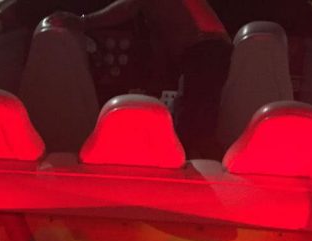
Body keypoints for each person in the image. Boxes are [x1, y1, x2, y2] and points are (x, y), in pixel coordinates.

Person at [48, 0, 232, 157]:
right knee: (197, 122)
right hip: (208, 50)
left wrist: (83, 22)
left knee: (193, 127)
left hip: (205, 51)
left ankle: (196, 176)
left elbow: (129, 6)